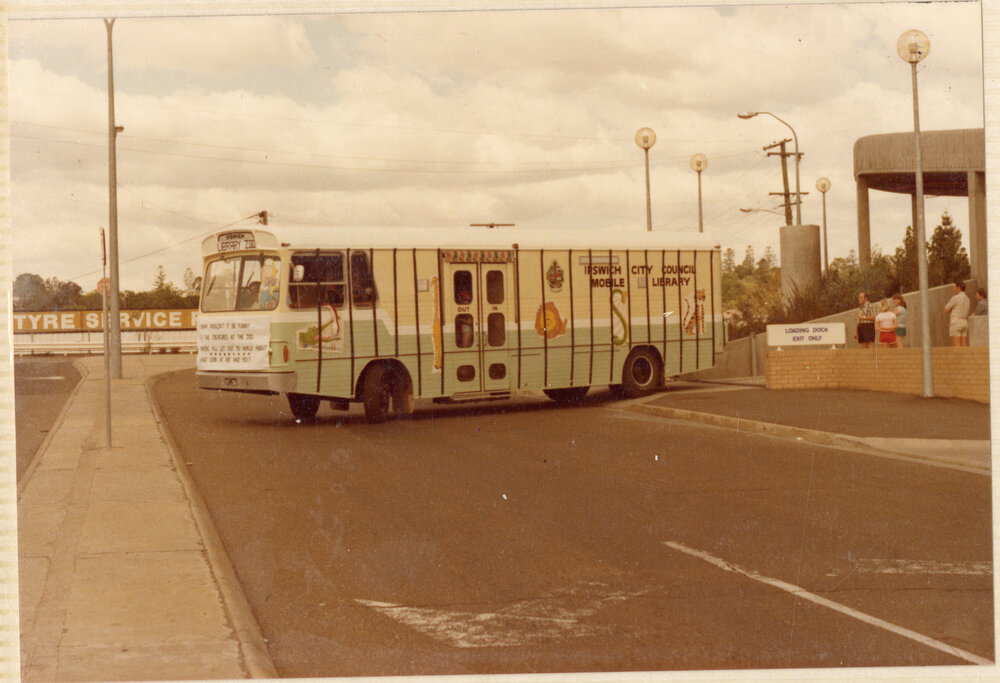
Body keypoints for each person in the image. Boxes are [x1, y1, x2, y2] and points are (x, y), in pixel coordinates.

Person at [944, 281, 971, 346]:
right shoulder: (967, 299)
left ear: (958, 288)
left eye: (954, 288)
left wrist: (951, 310)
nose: (954, 290)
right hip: (964, 321)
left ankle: (958, 356)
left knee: (957, 344)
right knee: (964, 344)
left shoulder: (955, 298)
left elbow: (946, 310)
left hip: (956, 321)